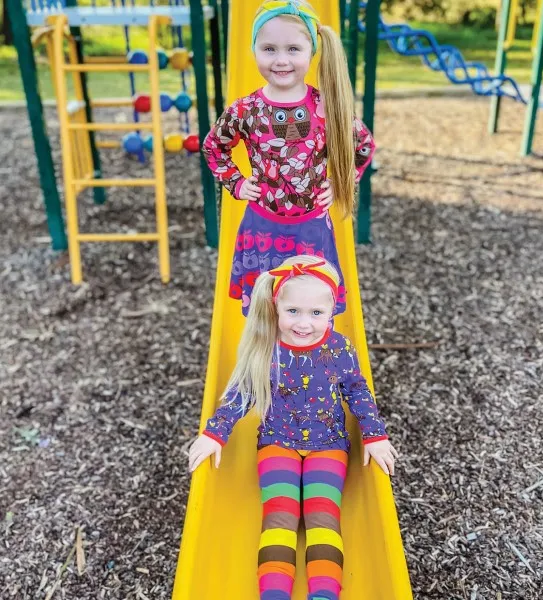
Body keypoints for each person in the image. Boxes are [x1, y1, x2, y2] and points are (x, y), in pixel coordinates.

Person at [188, 255, 398, 600]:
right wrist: (215, 433)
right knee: (279, 518)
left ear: (332, 312)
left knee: (322, 518)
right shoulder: (266, 348)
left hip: (328, 443)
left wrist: (375, 435)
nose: (304, 323)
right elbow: (243, 391)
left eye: (316, 313)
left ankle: (324, 595)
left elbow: (357, 390)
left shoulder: (338, 348)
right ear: (276, 308)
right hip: (277, 443)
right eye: (293, 312)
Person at [202, 0, 376, 316]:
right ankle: (267, 367)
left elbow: (362, 145)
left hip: (312, 233)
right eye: (269, 49)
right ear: (254, 50)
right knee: (266, 316)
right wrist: (237, 183)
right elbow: (214, 147)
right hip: (261, 231)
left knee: (312, 314)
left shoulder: (327, 106)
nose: (281, 60)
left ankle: (308, 366)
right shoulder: (245, 110)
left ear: (311, 52)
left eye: (293, 49)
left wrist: (341, 184)